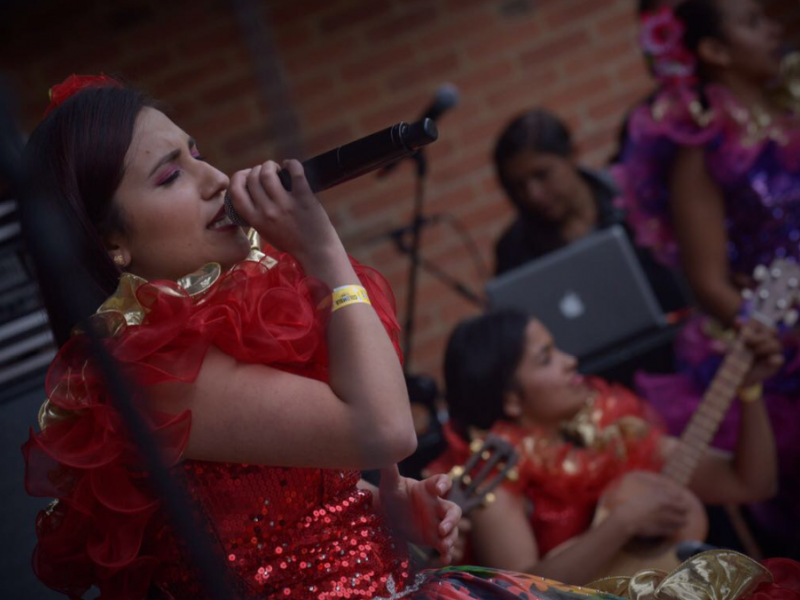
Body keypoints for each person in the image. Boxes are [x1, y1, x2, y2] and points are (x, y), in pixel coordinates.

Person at [18, 74, 660, 600]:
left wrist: (393, 505)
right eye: (169, 176)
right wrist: (324, 250)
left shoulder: (219, 323)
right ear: (112, 244)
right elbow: (387, 430)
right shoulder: (149, 370)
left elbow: (274, 493)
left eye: (197, 152)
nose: (215, 178)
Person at [614, 0, 800, 557]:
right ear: (715, 51)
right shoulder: (702, 147)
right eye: (751, 20)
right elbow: (710, 283)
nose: (772, 27)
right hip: (775, 352)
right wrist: (770, 337)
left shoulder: (790, 116)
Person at [426, 310, 785, 584]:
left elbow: (751, 484)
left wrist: (750, 392)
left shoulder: (613, 429)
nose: (571, 360)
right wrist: (623, 523)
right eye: (547, 358)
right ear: (511, 402)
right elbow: (526, 592)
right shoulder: (492, 478)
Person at [492, 109, 687, 316]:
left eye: (542, 175)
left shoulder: (632, 196)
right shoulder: (514, 248)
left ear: (572, 154)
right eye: (518, 186)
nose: (533, 195)